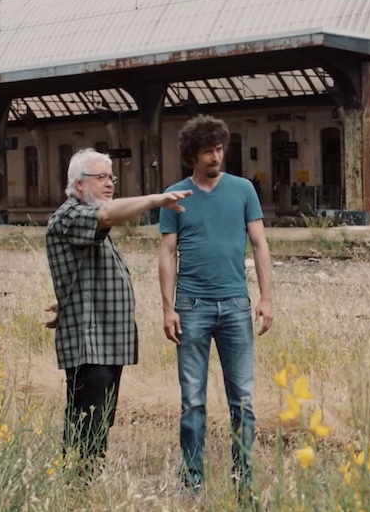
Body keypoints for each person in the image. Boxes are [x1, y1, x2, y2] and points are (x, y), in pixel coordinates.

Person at [44, 148, 190, 475]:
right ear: (79, 185)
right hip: (89, 341)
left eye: (111, 178)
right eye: (101, 178)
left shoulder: (87, 216)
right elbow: (108, 215)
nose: (110, 184)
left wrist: (66, 298)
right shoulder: (71, 214)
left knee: (97, 419)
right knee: (88, 419)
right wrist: (157, 199)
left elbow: (81, 270)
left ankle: (83, 480)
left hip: (105, 341)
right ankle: (80, 483)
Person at [158, 115, 275, 495]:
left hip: (236, 306)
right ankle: (191, 483)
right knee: (192, 401)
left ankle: (243, 481)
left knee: (242, 399)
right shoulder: (174, 197)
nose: (216, 156)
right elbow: (167, 253)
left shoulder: (242, 190)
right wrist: (167, 307)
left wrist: (266, 298)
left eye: (220, 148)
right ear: (192, 154)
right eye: (208, 150)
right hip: (191, 306)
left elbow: (259, 245)